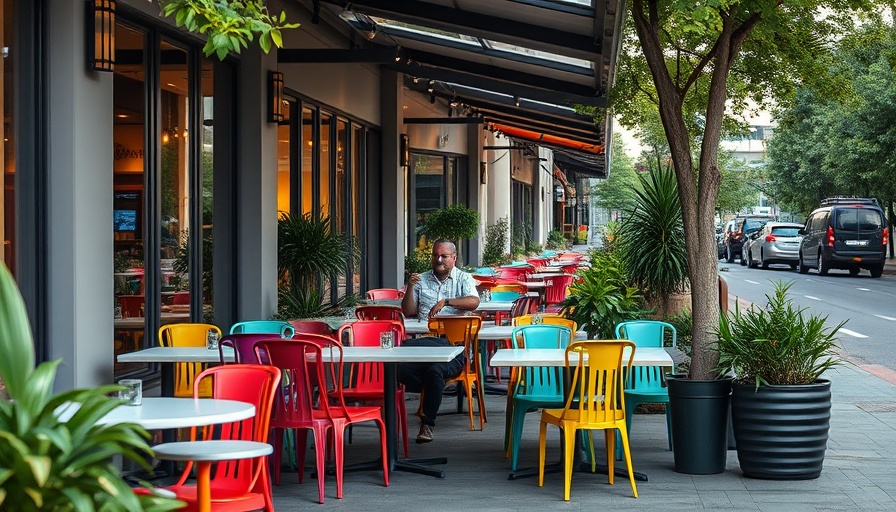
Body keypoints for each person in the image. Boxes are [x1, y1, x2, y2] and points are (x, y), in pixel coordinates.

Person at [399, 239, 480, 443]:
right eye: (435, 255)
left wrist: (447, 301)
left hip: (454, 350)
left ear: (454, 258)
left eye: (444, 256)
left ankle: (427, 424)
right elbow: (408, 311)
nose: (439, 260)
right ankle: (386, 419)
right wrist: (410, 287)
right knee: (393, 365)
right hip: (423, 346)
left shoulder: (463, 278)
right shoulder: (421, 280)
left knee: (434, 370)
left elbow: (474, 302)